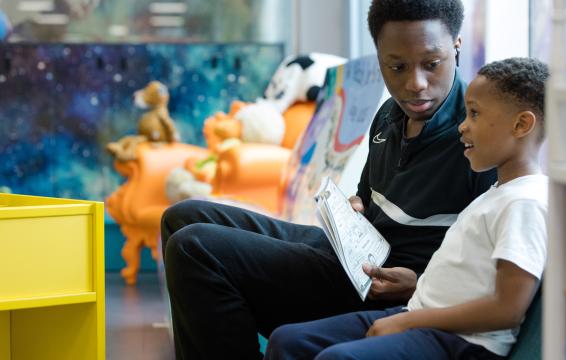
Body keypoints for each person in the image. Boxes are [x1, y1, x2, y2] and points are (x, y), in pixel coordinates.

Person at [160, 0, 496, 358]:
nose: (415, 84)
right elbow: (368, 196)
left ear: (456, 45)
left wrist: (419, 283)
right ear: (379, 56)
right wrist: (354, 205)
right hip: (351, 256)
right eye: (396, 66)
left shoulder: (478, 136)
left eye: (432, 64)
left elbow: (490, 265)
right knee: (183, 216)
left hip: (386, 289)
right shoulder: (388, 116)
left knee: (193, 247)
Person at [265, 57, 550, 360]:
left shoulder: (525, 203)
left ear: (521, 124)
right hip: (420, 317)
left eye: (475, 114)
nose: (463, 127)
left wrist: (407, 321)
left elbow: (507, 309)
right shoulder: (499, 193)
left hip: (462, 344)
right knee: (290, 341)